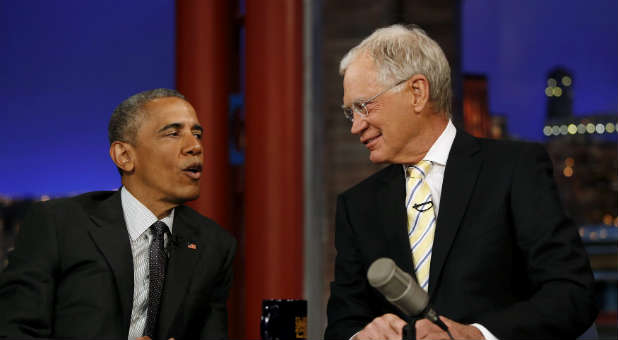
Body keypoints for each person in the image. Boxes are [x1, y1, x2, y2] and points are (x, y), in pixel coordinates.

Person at [324, 25, 597, 340]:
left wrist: (477, 336)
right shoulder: (357, 206)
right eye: (350, 113)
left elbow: (572, 294)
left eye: (363, 106)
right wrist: (360, 336)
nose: (356, 126)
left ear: (417, 92)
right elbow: (342, 325)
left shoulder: (514, 169)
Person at [0, 89, 236, 338]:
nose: (195, 146)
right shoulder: (59, 225)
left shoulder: (213, 245)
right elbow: (14, 332)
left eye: (197, 134)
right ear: (124, 156)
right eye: (173, 133)